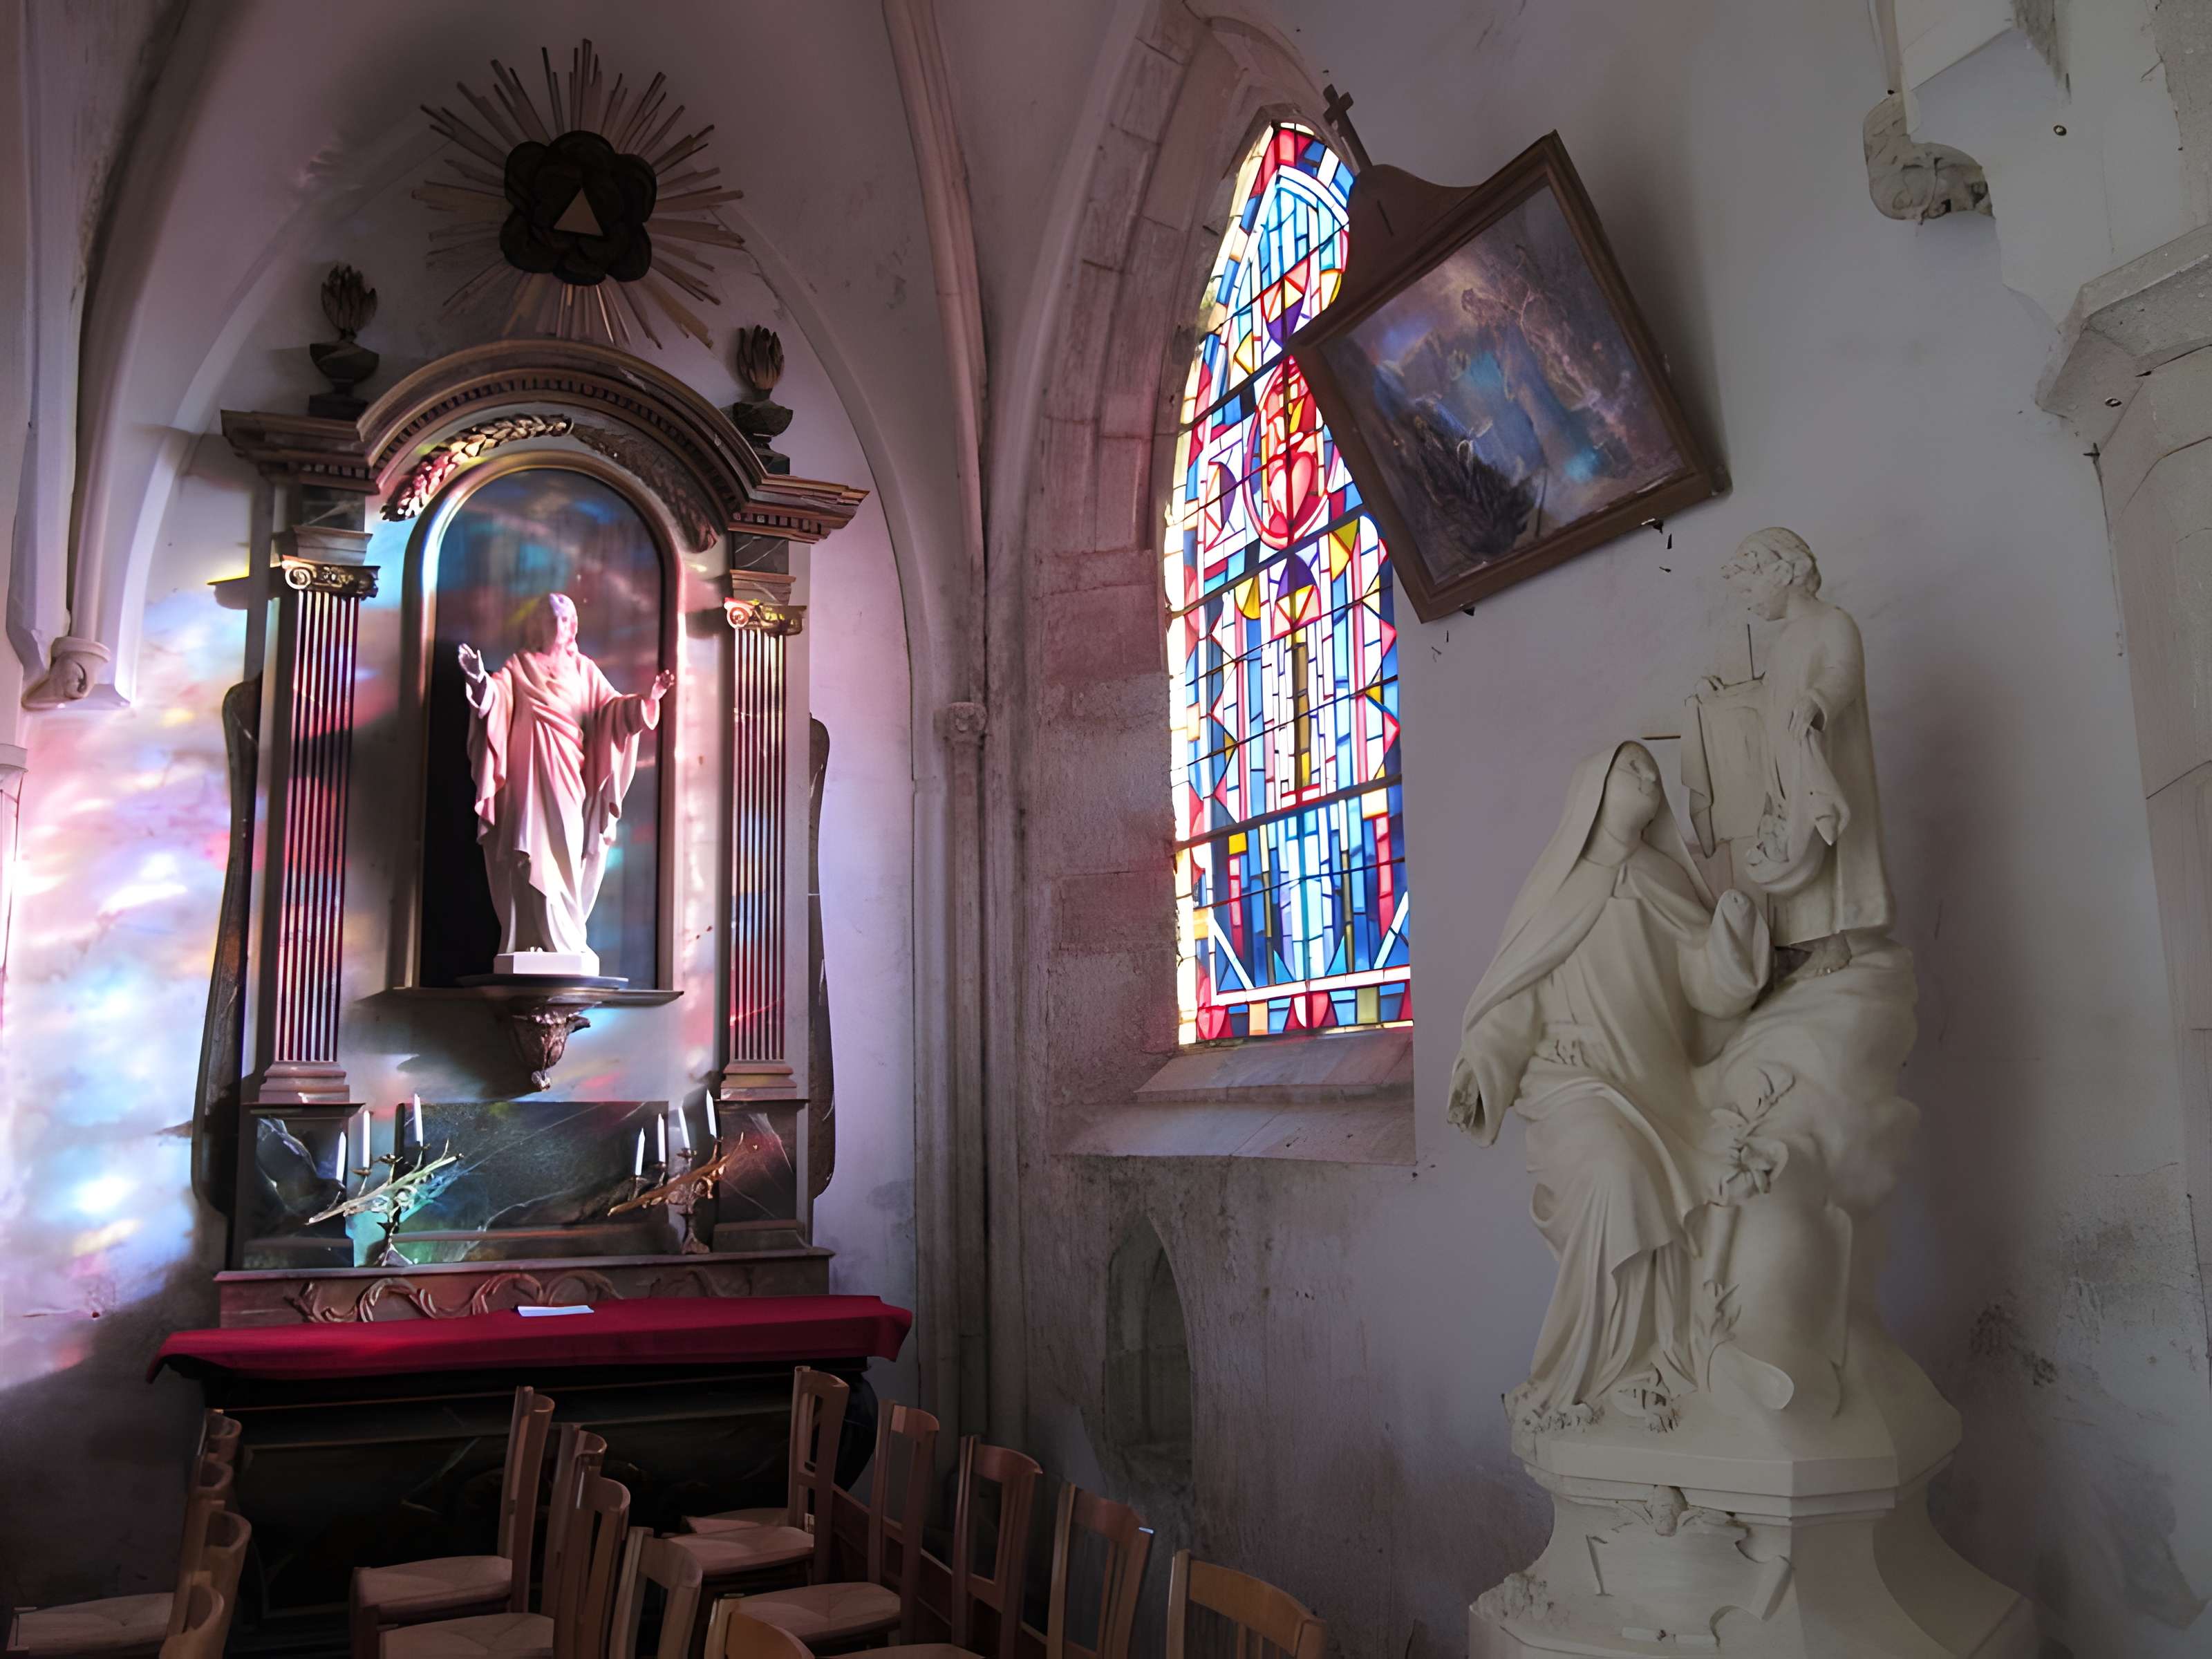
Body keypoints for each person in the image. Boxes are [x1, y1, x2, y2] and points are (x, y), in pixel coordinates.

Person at [1449, 742, 1769, 1428]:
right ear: (1590, 789)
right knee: (1614, 1174)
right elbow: (1513, 999)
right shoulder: (1556, 891)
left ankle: (1659, 1366)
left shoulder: (1660, 879)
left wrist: (1732, 937)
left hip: (1661, 1087)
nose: (1648, 779)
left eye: (1652, 773)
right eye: (1632, 769)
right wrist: (1480, 1070)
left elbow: (1707, 989)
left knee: (1707, 1207)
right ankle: (1588, 1372)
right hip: (1573, 1087)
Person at [460, 592, 672, 971]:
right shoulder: (520, 665)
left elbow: (612, 710)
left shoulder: (585, 670)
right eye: (548, 618)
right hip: (527, 777)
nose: (556, 626)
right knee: (529, 852)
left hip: (568, 775)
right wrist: (478, 681)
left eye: (563, 619)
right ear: (537, 624)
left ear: (573, 626)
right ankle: (528, 940)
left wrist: (646, 702)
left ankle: (568, 939)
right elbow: (496, 699)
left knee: (569, 848)